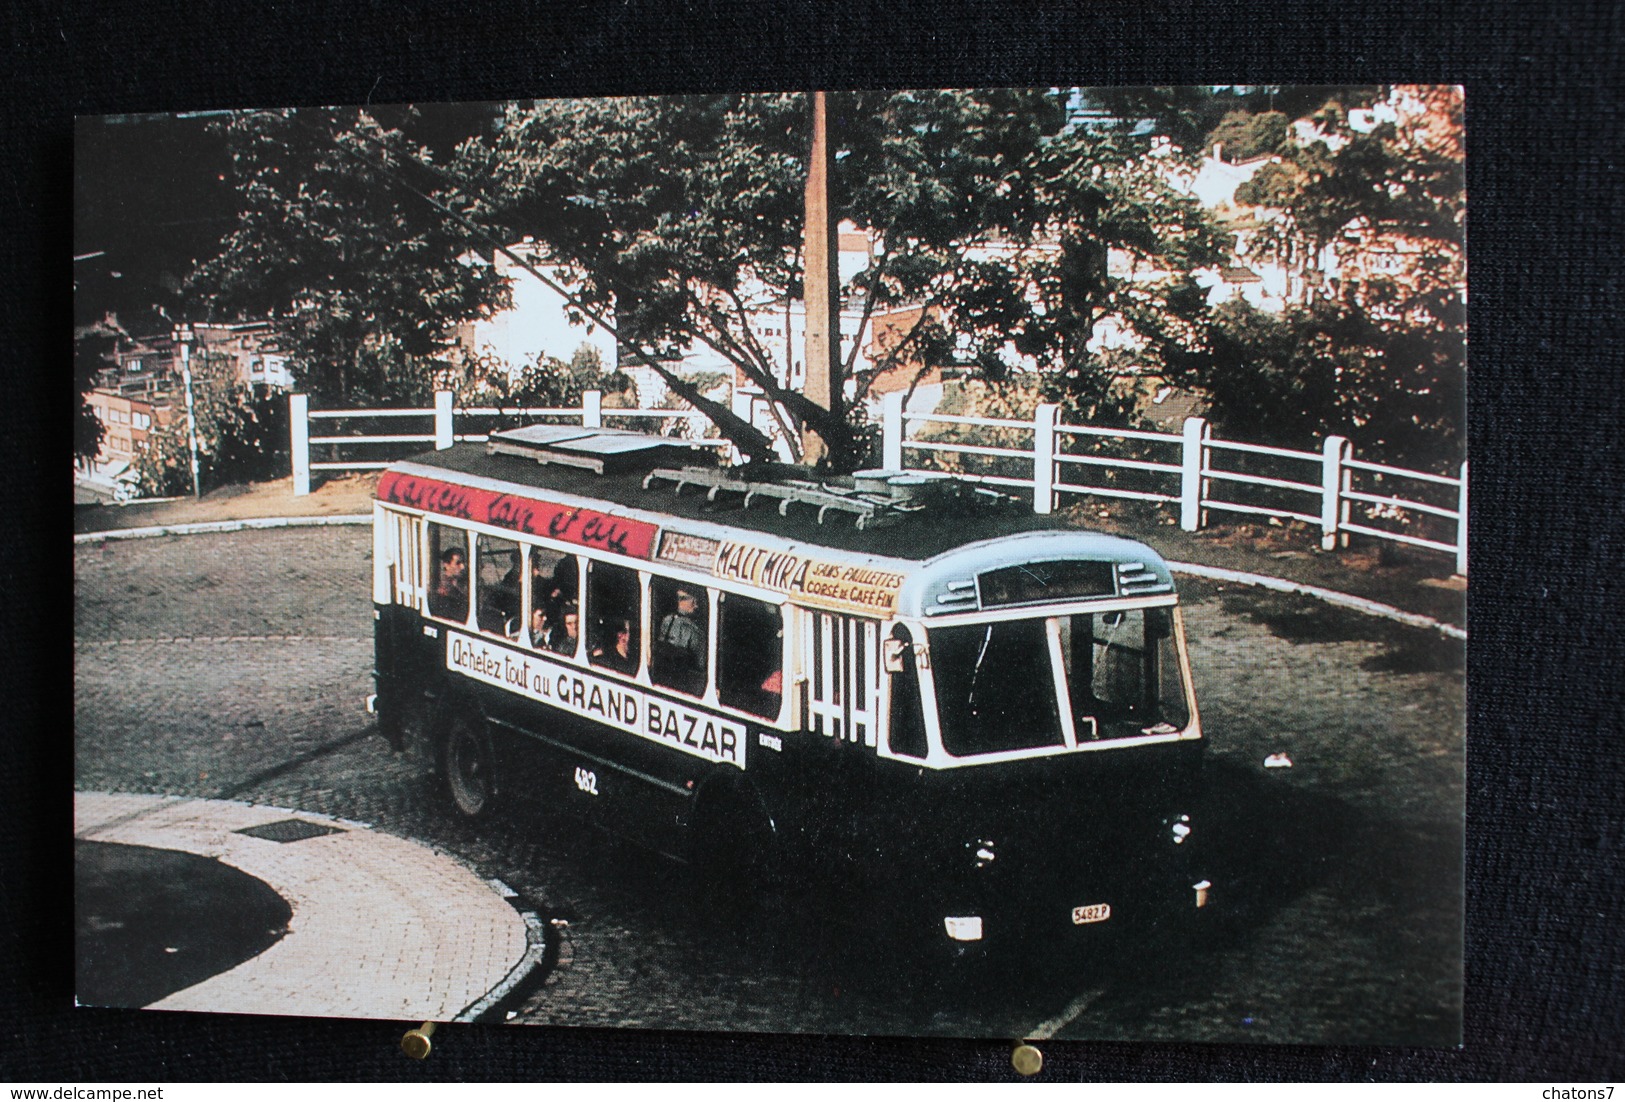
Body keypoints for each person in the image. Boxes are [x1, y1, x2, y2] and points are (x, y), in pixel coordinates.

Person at [656, 586, 706, 693]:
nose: (696, 605)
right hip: (684, 682)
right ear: (683, 601)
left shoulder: (667, 620)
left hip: (663, 677)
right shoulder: (694, 631)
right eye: (693, 600)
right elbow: (700, 664)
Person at [429, 546, 467, 620]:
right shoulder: (444, 589)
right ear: (446, 565)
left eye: (463, 562)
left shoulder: (459, 584)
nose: (462, 567)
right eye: (458, 563)